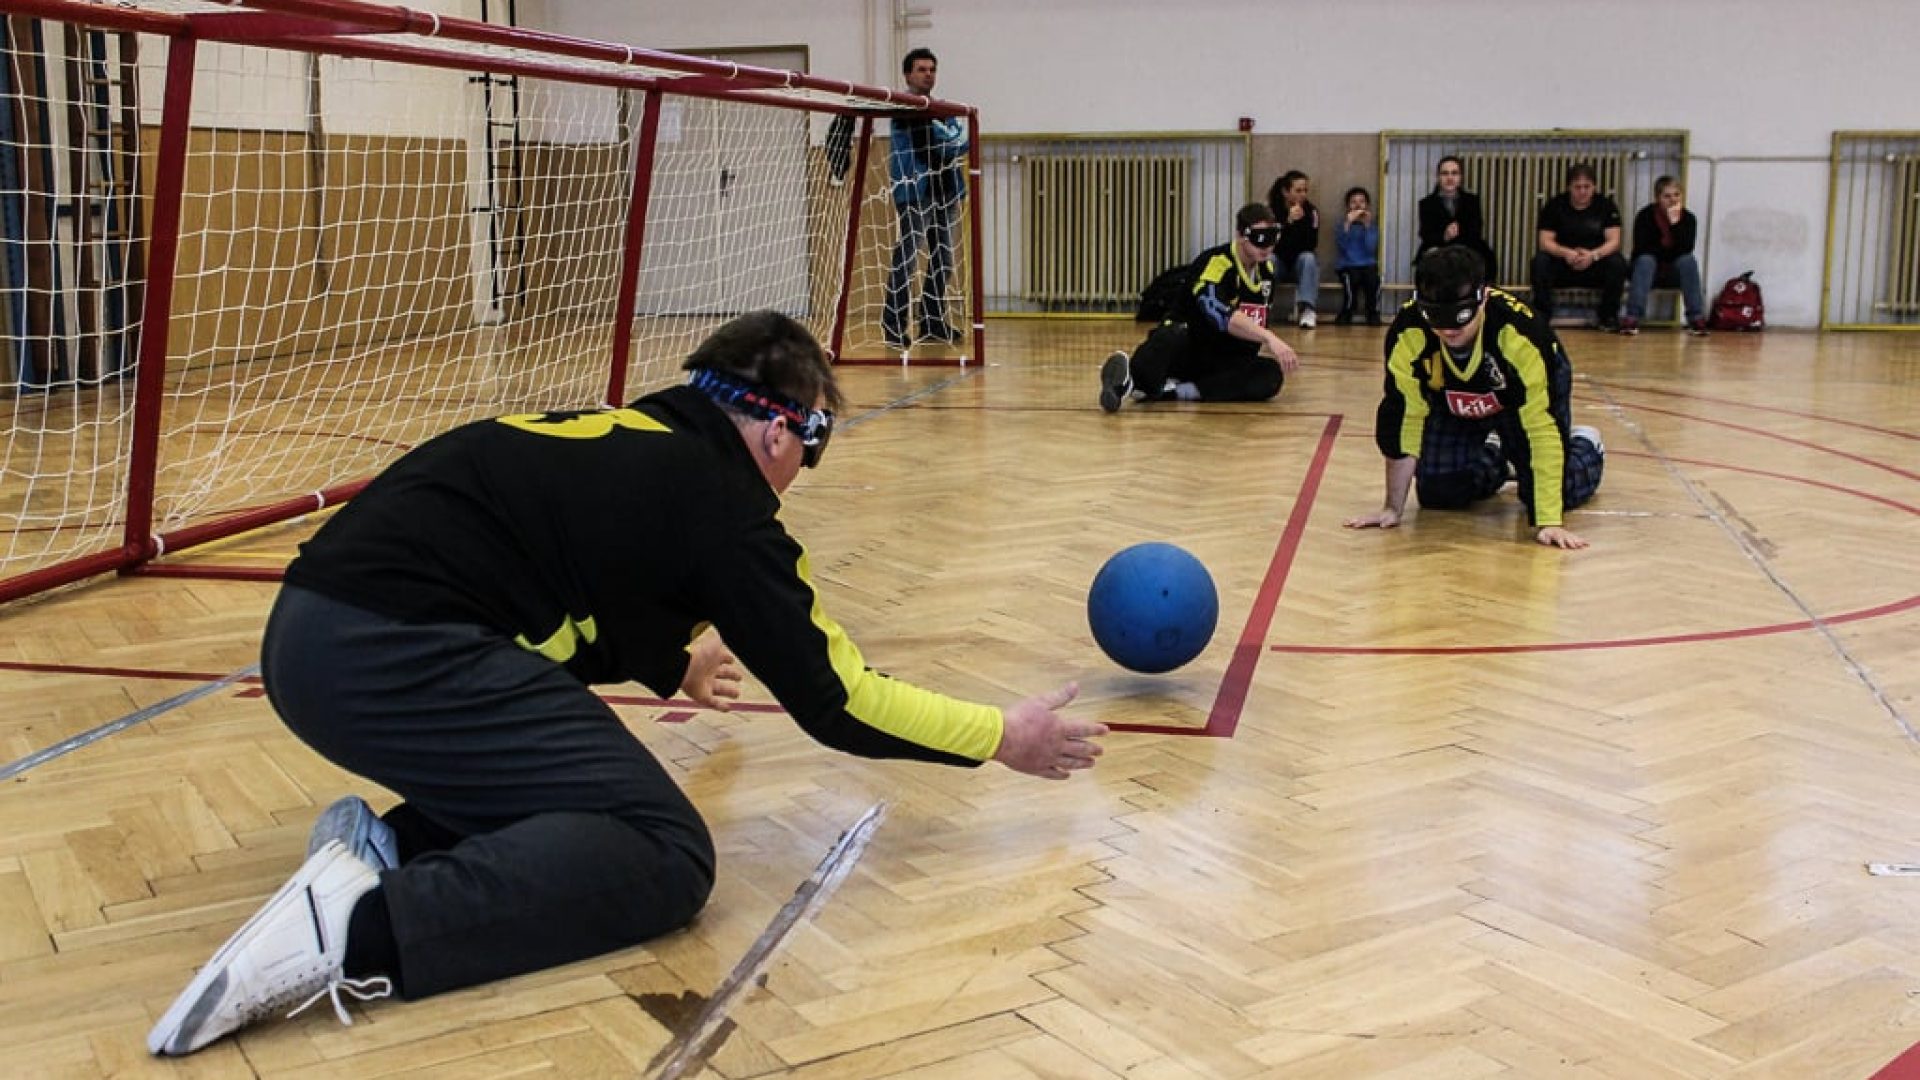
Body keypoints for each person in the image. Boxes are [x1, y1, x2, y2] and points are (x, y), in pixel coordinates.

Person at [146, 311, 1107, 1057]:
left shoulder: (635, 435)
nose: (800, 473)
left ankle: (379, 848)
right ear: (783, 430)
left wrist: (669, 659)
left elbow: (569, 577)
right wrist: (999, 734)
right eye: (812, 450)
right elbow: (836, 699)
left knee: (583, 795)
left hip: (312, 639)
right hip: (395, 654)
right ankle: (360, 933)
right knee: (663, 850)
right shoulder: (723, 503)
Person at [1345, 247, 1606, 550]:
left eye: (1459, 318)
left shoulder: (1522, 335)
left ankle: (1587, 445)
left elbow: (1540, 426)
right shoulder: (1409, 331)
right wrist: (1392, 508)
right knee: (1438, 493)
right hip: (1453, 401)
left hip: (1518, 402)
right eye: (1436, 318)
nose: (1448, 330)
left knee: (1552, 492)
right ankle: (1495, 452)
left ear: (1482, 297)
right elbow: (1405, 413)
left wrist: (1549, 521)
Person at [1098, 202, 1302, 412]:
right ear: (1241, 235)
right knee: (1170, 335)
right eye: (1260, 239)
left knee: (1269, 375)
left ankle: (1172, 392)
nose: (1267, 247)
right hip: (1189, 346)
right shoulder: (1215, 263)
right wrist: (1269, 337)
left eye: (1272, 239)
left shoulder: (1266, 272)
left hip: (1223, 358)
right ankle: (1130, 380)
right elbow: (1219, 315)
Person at [883, 48, 968, 350]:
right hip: (916, 193)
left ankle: (932, 321)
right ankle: (893, 324)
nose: (927, 74)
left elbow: (961, 141)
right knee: (907, 259)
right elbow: (945, 143)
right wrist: (949, 141)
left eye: (932, 69)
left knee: (943, 260)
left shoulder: (943, 109)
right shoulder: (903, 108)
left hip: (945, 190)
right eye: (921, 69)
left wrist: (949, 142)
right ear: (908, 74)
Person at [1530, 162, 1627, 330]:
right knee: (1540, 261)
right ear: (1569, 187)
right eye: (1577, 187)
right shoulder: (1554, 206)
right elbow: (1545, 241)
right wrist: (1566, 253)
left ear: (1594, 186)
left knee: (1617, 262)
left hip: (1594, 264)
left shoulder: (1606, 206)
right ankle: (1543, 314)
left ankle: (1608, 316)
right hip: (1563, 264)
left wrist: (1593, 255)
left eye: (1587, 187)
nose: (1582, 191)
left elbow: (1614, 241)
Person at [1622, 176, 1708, 336]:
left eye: (1676, 195)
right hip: (1647, 270)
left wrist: (1675, 225)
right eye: (1667, 196)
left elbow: (1685, 248)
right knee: (1646, 261)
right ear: (1657, 198)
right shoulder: (1645, 216)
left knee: (1688, 261)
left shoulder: (1688, 219)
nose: (1672, 200)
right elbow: (1642, 248)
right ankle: (1632, 317)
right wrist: (1668, 251)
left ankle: (1696, 318)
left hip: (1674, 271)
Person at [1415, 155, 1498, 282]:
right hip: (1439, 247)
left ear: (1460, 177)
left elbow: (1476, 229)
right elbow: (1425, 233)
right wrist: (1445, 236)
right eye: (1445, 173)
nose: (1450, 177)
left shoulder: (1472, 201)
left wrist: (1458, 236)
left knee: (1487, 255)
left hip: (1468, 246)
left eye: (1454, 173)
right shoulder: (1427, 203)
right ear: (1438, 177)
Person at [1265, 170, 1321, 328]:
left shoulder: (1311, 212)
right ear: (1285, 192)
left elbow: (1311, 243)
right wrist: (1287, 223)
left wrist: (1301, 223)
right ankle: (1263, 306)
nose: (1303, 194)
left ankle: (1308, 310)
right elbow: (1270, 243)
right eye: (1298, 190)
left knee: (1308, 258)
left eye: (1305, 190)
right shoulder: (1271, 212)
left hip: (1298, 263)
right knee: (1269, 260)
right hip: (1279, 261)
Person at [1332, 186, 1382, 326]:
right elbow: (1343, 247)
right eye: (1353, 202)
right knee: (1351, 281)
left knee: (1374, 281)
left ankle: (1372, 312)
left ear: (1367, 205)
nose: (1358, 205)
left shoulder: (1372, 227)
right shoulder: (1341, 226)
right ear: (1348, 206)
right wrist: (1347, 224)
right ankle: (1347, 311)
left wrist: (1367, 227)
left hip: (1367, 264)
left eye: (1362, 201)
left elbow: (1370, 248)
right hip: (1347, 265)